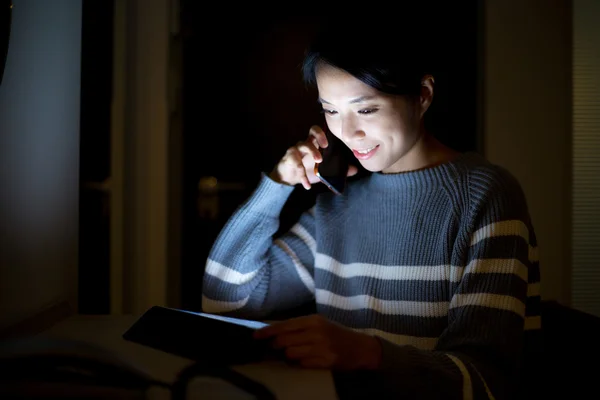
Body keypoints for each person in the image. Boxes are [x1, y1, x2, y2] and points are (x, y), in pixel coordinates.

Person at [200, 20, 541, 400]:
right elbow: (226, 300)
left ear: (423, 95)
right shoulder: (338, 202)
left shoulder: (485, 196)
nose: (347, 132)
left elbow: (487, 382)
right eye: (330, 110)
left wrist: (368, 354)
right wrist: (278, 184)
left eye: (365, 110)